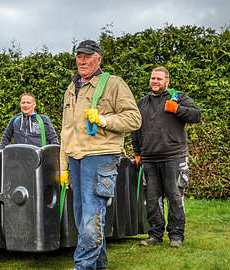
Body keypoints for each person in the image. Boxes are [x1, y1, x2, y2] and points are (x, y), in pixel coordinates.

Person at [59, 40, 141, 270]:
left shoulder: (113, 84)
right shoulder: (71, 87)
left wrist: (104, 120)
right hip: (75, 159)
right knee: (83, 219)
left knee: (91, 219)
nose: (82, 60)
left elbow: (134, 119)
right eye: (79, 56)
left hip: (101, 157)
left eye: (88, 56)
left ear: (99, 59)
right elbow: (66, 130)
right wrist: (63, 166)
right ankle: (99, 266)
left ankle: (82, 267)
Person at [131, 66, 201, 248]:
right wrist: (137, 152)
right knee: (152, 200)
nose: (155, 81)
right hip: (149, 159)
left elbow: (196, 115)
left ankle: (176, 236)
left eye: (159, 79)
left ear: (167, 81)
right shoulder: (142, 103)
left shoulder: (177, 97)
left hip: (174, 157)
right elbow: (135, 129)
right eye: (153, 78)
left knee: (175, 197)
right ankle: (155, 236)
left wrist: (177, 109)